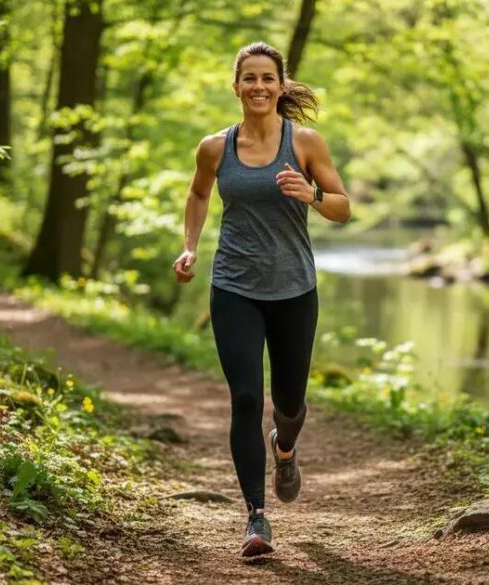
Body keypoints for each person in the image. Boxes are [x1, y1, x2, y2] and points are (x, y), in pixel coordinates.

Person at [172, 41, 351, 558]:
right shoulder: (214, 147)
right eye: (248, 78)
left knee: (289, 403)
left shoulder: (306, 143)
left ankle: (285, 445)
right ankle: (255, 518)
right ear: (236, 86)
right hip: (233, 286)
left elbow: (343, 207)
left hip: (295, 288)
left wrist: (312, 196)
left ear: (280, 84)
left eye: (267, 78)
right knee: (247, 398)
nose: (257, 86)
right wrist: (189, 248)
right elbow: (200, 192)